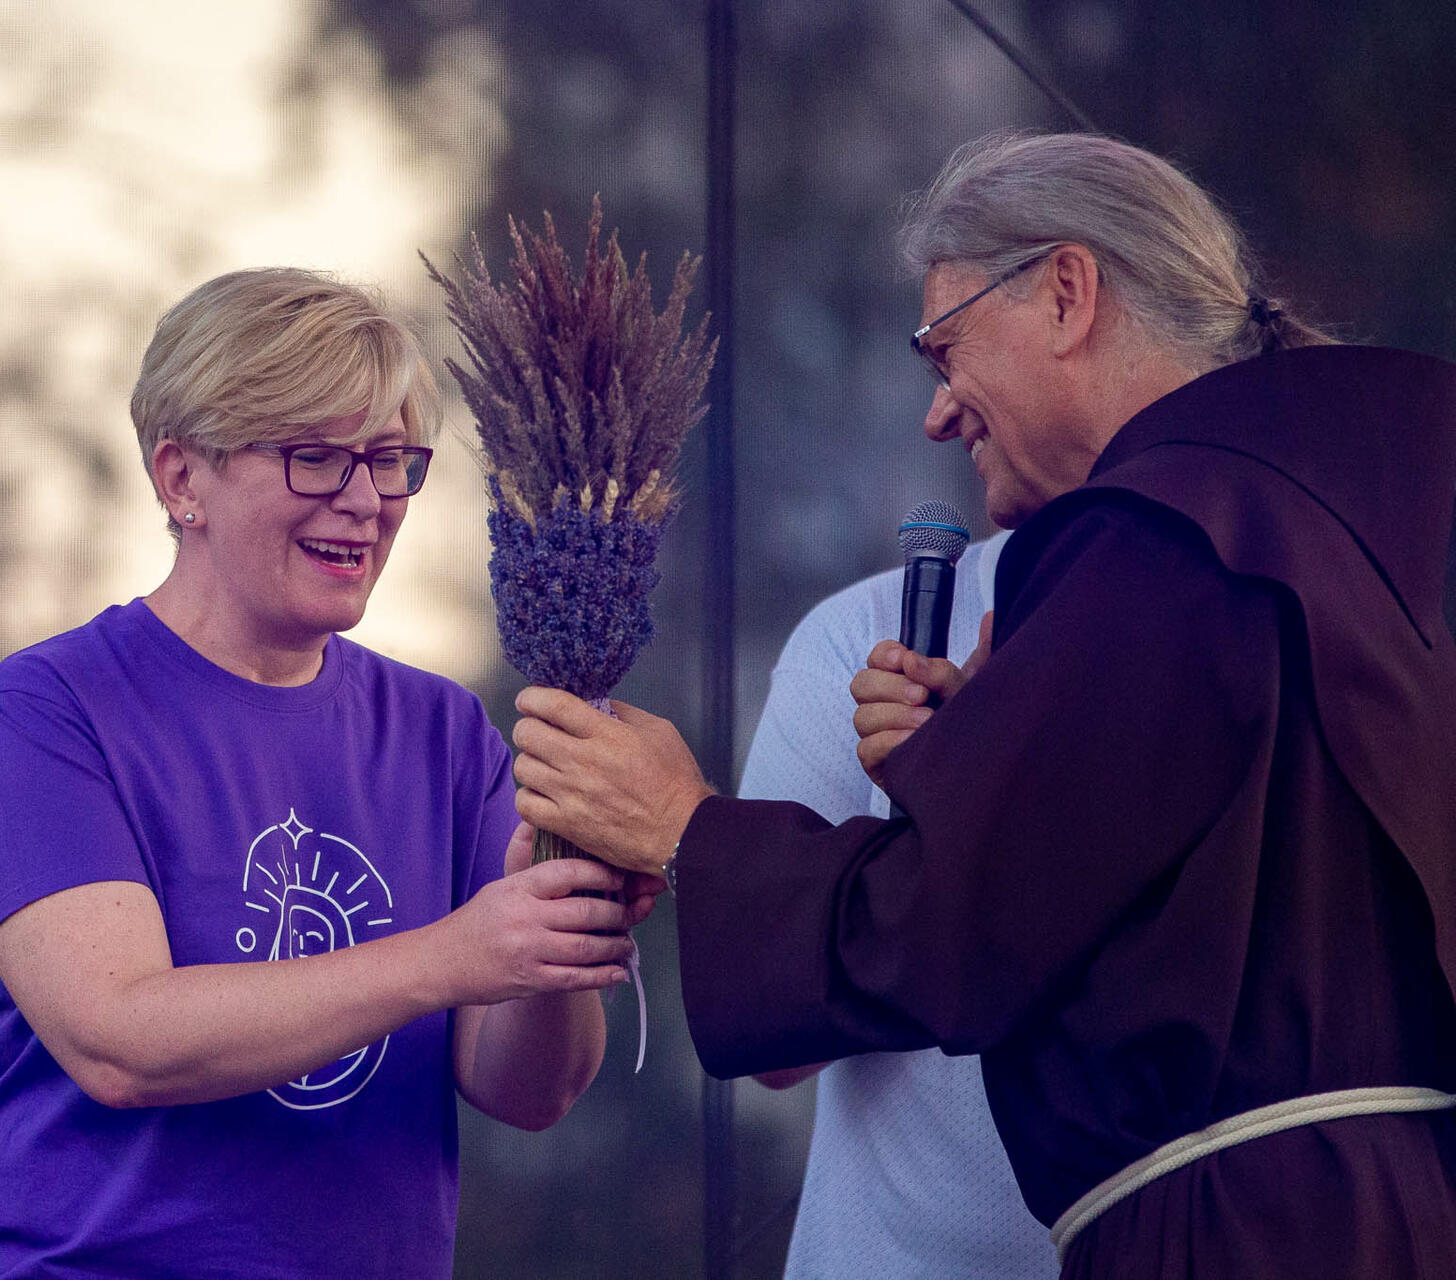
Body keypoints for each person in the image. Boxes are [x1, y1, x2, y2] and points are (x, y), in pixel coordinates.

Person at [510, 131, 1456, 1278]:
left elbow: (953, 926)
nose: (939, 413)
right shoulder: (1333, 524)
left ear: (1066, 292)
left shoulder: (1149, 537)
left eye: (945, 349)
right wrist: (984, 753)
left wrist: (682, 823)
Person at [0, 267, 658, 1279]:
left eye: (391, 460)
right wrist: (456, 953)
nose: (365, 501)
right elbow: (119, 1039)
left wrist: (558, 934)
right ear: (182, 479)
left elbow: (531, 1091)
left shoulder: (442, 728)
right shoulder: (50, 711)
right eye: (316, 457)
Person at [744, 529, 1059, 1278]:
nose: (941, 418)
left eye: (957, 395)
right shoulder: (859, 632)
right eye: (937, 396)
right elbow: (769, 1035)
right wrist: (927, 801)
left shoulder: (1231, 613)